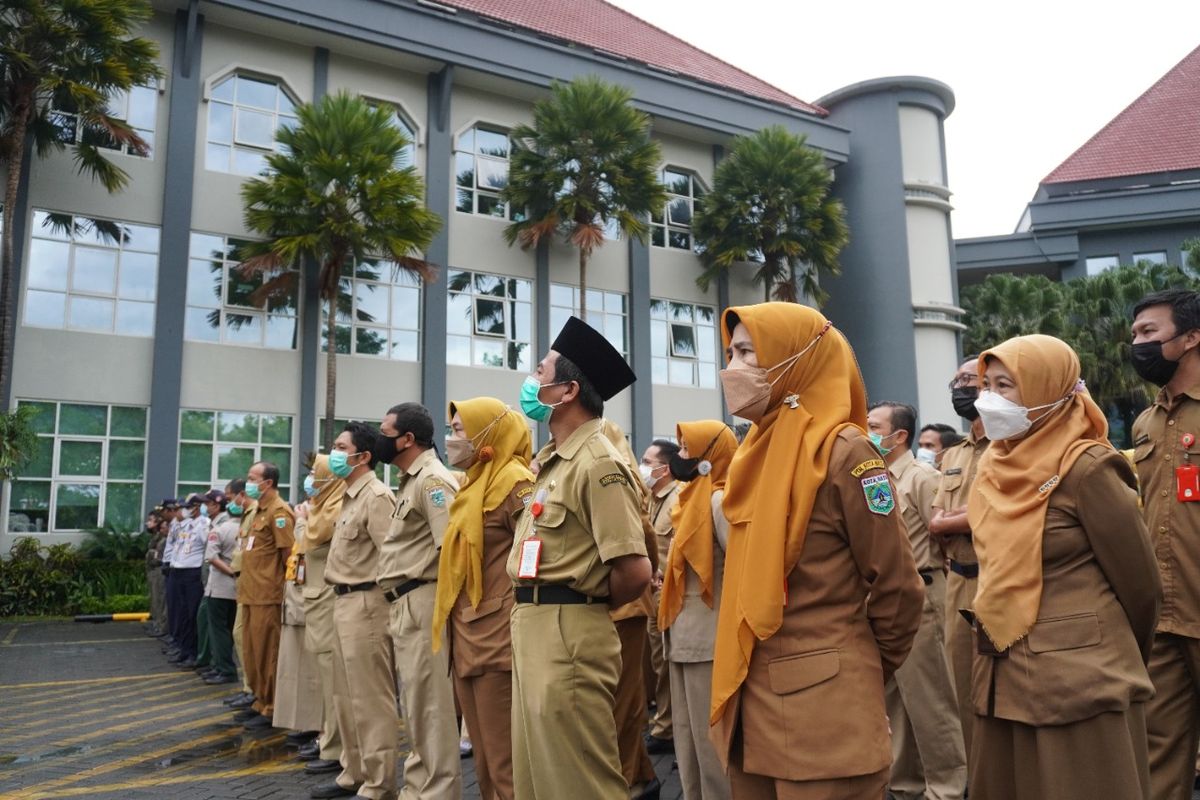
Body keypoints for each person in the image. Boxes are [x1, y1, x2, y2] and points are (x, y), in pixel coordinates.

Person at [710, 302, 924, 800]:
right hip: (753, 703)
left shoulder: (847, 451)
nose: (731, 368)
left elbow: (897, 587)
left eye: (747, 353)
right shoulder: (755, 452)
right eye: (730, 352)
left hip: (826, 716)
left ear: (795, 360)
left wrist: (857, 669)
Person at [966, 333, 1159, 798]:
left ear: (1046, 389)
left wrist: (1111, 654)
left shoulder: (1088, 466)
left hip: (1080, 681)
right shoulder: (993, 464)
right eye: (985, 385)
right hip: (1002, 672)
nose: (988, 399)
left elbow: (1141, 586)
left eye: (1005, 386)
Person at [508, 315, 651, 800]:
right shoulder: (554, 461)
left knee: (580, 781)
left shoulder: (598, 462)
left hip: (569, 627)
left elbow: (634, 570)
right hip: (534, 623)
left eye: (540, 371)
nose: (531, 380)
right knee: (539, 777)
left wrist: (580, 602)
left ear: (567, 391)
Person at [431, 397, 535, 800]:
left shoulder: (515, 481)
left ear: (486, 434)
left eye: (458, 431)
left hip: (498, 636)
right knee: (485, 762)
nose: (452, 439)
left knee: (504, 758)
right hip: (467, 631)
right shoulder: (473, 481)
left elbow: (534, 552)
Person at [867, 402, 966, 800]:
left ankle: (946, 785)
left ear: (899, 435)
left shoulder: (922, 477)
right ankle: (905, 782)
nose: (865, 431)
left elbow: (944, 535)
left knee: (931, 696)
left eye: (873, 426)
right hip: (884, 598)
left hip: (922, 591)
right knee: (894, 697)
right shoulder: (875, 478)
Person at [1130, 289, 1200, 800]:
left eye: (1149, 333)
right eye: (1135, 335)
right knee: (1157, 757)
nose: (1138, 344)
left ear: (1192, 337)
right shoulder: (1146, 423)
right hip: (1165, 617)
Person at [376, 402, 463, 800]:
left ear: (407, 439)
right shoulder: (411, 480)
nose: (380, 440)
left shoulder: (432, 481)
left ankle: (437, 792)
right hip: (405, 602)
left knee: (431, 709)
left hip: (424, 601)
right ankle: (418, 789)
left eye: (385, 432)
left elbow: (452, 552)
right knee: (415, 705)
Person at [313, 422, 398, 800]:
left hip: (367, 602)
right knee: (344, 697)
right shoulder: (349, 495)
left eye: (340, 446)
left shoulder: (376, 496)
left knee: (370, 697)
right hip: (342, 600)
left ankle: (379, 783)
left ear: (362, 456)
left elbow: (391, 557)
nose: (332, 452)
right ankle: (354, 773)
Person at [658, 420, 736, 800]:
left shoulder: (720, 501)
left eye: (688, 450)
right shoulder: (689, 500)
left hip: (708, 639)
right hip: (682, 635)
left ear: (710, 458)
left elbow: (739, 569)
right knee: (687, 744)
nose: (680, 458)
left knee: (711, 748)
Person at [929, 356, 988, 759]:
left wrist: (954, 520)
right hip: (958, 580)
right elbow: (936, 516)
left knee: (1000, 687)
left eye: (968, 379)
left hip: (994, 577)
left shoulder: (1010, 447)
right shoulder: (953, 455)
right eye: (956, 381)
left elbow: (999, 513)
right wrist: (956, 521)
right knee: (960, 688)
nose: (959, 388)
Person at [601, 419, 661, 800]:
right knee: (616, 702)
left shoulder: (616, 477)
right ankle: (638, 776)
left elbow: (645, 538)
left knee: (622, 703)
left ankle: (627, 781)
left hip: (624, 606)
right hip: (612, 606)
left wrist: (648, 573)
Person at [293, 455, 346, 776]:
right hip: (318, 600)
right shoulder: (322, 505)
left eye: (316, 474)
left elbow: (308, 539)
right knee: (325, 679)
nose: (311, 480)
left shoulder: (334, 505)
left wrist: (302, 519)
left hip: (329, 601)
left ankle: (334, 746)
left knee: (333, 679)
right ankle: (328, 739)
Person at [239, 460, 295, 730]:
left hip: (268, 595)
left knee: (267, 653)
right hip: (250, 594)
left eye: (252, 478)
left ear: (268, 483)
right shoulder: (258, 511)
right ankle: (259, 700)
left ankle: (272, 706)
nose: (248, 482)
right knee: (251, 652)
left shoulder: (279, 512)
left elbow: (289, 557)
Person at [641, 438, 680, 756]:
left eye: (647, 461)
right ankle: (665, 723)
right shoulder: (652, 499)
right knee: (658, 662)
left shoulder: (678, 498)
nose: (643, 467)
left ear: (664, 468)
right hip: (652, 592)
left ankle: (667, 728)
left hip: (670, 592)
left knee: (667, 663)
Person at [200, 486, 241, 685]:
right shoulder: (245, 529)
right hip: (237, 588)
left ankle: (224, 669)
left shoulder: (219, 530)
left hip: (219, 587)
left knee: (218, 631)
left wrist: (230, 571)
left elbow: (211, 557)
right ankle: (223, 667)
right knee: (230, 630)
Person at [170, 493, 209, 669]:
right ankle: (184, 650)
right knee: (183, 614)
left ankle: (193, 653)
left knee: (193, 615)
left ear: (199, 506)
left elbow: (205, 542)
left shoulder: (204, 524)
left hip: (193, 573)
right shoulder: (187, 524)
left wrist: (199, 521)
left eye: (190, 506)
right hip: (179, 571)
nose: (186, 510)